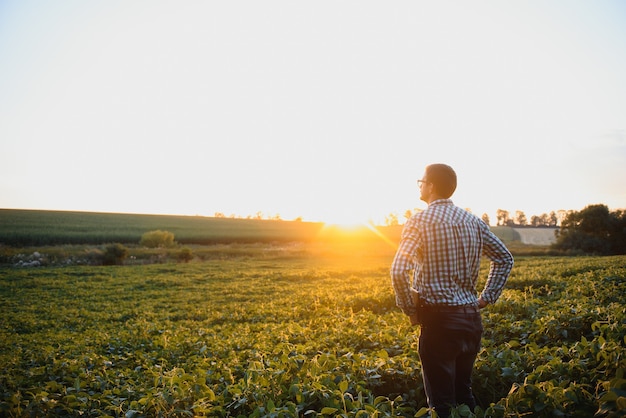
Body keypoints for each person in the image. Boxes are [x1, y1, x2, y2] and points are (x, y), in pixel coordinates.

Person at [390, 163, 513, 417]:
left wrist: (409, 308)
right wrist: (486, 298)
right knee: (464, 393)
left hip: (438, 321)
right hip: (470, 319)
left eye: (421, 181)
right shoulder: (473, 221)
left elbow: (398, 269)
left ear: (431, 186)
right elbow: (504, 258)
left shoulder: (419, 221)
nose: (420, 185)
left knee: (441, 404)